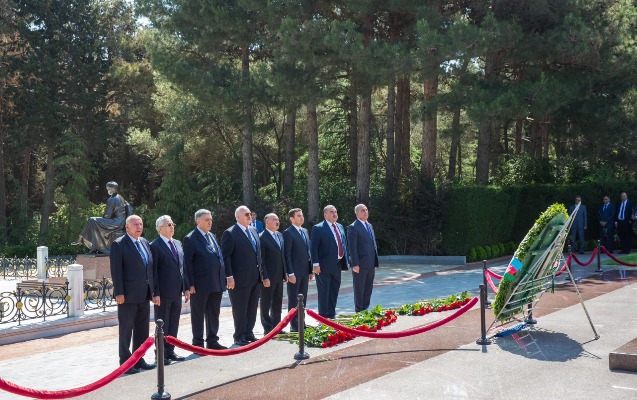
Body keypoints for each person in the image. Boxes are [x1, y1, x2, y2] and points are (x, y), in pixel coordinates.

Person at [110, 215, 156, 375]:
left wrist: (153, 291)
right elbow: (116, 270)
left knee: (142, 329)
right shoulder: (119, 244)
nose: (139, 227)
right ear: (127, 227)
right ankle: (125, 363)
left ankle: (139, 359)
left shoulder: (144, 242)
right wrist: (119, 292)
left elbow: (149, 269)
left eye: (141, 224)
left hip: (144, 294)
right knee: (126, 330)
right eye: (135, 224)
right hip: (127, 296)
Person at [183, 209, 227, 350]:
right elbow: (187, 264)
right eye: (207, 220)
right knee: (198, 314)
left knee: (214, 312)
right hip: (200, 284)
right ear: (198, 221)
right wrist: (190, 284)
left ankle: (212, 341)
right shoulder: (191, 238)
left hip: (216, 281)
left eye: (211, 219)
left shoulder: (212, 236)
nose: (210, 222)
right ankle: (198, 343)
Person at [221, 206, 263, 346]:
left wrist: (262, 274)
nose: (249, 216)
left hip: (254, 277)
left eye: (250, 213)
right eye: (246, 214)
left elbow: (258, 255)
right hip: (238, 279)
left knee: (252, 307)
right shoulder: (230, 233)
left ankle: (249, 333)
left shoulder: (254, 230)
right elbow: (226, 256)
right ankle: (239, 336)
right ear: (237, 217)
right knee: (240, 308)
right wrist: (229, 276)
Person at [150, 215, 189, 365]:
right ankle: (160, 354)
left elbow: (182, 267)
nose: (172, 227)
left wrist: (185, 288)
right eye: (168, 225)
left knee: (173, 322)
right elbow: (153, 273)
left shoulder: (178, 243)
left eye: (172, 224)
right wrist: (155, 293)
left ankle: (171, 350)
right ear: (160, 228)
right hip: (163, 293)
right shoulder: (155, 246)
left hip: (176, 291)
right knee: (162, 324)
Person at [310, 205, 349, 319]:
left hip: (337, 264)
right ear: (325, 215)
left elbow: (343, 244)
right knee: (324, 292)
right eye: (331, 212)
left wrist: (346, 260)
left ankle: (331, 314)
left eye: (335, 212)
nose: (334, 214)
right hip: (323, 266)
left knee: (334, 290)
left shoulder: (340, 226)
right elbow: (314, 247)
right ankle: (323, 316)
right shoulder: (318, 228)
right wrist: (315, 264)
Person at [73, 181, 127, 254]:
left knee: (93, 220)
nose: (108, 191)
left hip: (116, 223)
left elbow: (107, 216)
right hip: (121, 222)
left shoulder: (112, 199)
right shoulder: (120, 197)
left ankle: (81, 239)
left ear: (112, 189)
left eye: (108, 189)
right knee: (94, 222)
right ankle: (93, 245)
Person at [283, 208, 313, 332]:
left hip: (304, 271)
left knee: (303, 298)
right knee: (294, 299)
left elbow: (307, 252)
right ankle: (294, 325)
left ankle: (302, 323)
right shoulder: (288, 233)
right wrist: (290, 273)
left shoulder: (304, 231)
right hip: (294, 273)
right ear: (292, 219)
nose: (302, 217)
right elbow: (287, 255)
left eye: (302, 215)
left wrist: (310, 270)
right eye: (298, 216)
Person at [346, 204, 378, 313]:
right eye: (362, 210)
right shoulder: (353, 227)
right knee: (359, 288)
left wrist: (375, 262)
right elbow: (352, 247)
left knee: (368, 288)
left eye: (366, 210)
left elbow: (373, 244)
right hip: (360, 264)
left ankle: (365, 309)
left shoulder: (369, 225)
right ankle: (359, 311)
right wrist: (355, 264)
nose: (365, 212)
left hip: (370, 263)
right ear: (357, 213)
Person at [258, 213, 287, 335]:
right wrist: (264, 276)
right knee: (266, 303)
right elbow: (261, 260)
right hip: (268, 277)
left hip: (279, 276)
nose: (277, 221)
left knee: (277, 302)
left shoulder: (279, 235)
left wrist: (285, 273)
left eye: (278, 219)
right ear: (267, 222)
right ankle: (268, 328)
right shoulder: (262, 237)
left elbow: (282, 256)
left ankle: (277, 327)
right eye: (274, 219)